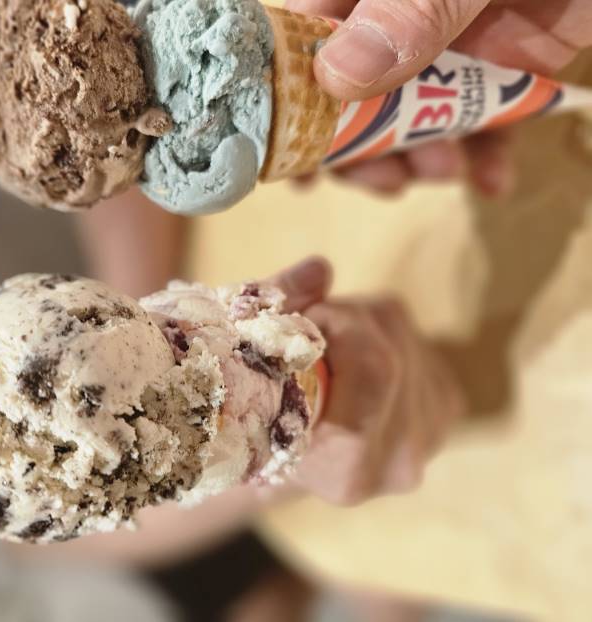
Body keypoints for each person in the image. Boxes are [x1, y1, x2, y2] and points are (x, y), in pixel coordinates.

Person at [78, 0, 592, 618]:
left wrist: (138, 330)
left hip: (276, 151)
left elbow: (99, 77)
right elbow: (48, 529)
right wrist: (268, 434)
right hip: (450, 439)